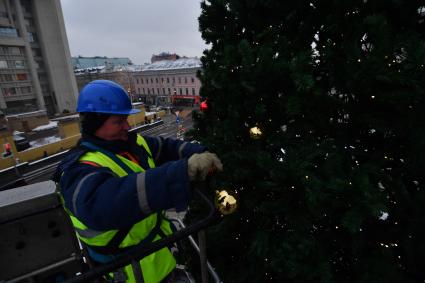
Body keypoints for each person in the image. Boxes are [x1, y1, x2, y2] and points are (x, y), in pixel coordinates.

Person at [52, 80, 222, 283]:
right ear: (94, 124)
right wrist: (181, 173)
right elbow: (109, 204)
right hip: (131, 272)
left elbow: (167, 147)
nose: (127, 126)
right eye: (118, 121)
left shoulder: (131, 144)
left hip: (162, 257)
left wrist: (202, 155)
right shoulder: (77, 170)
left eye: (126, 119)